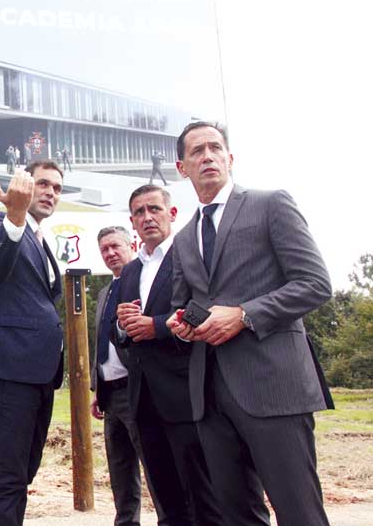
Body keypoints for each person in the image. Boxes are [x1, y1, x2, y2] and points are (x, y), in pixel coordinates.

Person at [168, 122, 333, 526]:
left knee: (299, 513)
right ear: (182, 168)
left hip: (273, 386)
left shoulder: (271, 204)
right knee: (237, 516)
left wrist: (244, 315)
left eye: (215, 148)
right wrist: (182, 323)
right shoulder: (184, 237)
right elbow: (183, 304)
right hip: (209, 395)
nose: (208, 156)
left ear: (230, 158)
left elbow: (315, 284)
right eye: (197, 151)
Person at [114, 185, 223, 526]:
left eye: (154, 209)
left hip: (186, 395)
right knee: (166, 500)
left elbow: (205, 307)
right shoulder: (130, 271)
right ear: (132, 221)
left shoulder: (190, 254)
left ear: (172, 213)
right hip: (143, 400)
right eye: (139, 212)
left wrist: (157, 326)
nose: (147, 217)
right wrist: (122, 325)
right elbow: (121, 334)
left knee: (203, 499)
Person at [0, 160, 65, 526]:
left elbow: (19, 300)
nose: (50, 192)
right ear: (23, 185)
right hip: (9, 372)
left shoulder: (42, 240)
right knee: (7, 476)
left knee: (23, 472)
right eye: (43, 183)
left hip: (38, 373)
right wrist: (15, 216)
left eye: (57, 187)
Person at [90, 226, 169, 526]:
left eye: (115, 246)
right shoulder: (104, 293)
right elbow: (102, 342)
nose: (110, 253)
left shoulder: (143, 285)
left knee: (156, 467)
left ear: (132, 245)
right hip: (110, 396)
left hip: (139, 391)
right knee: (120, 471)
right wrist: (98, 389)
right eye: (104, 249)